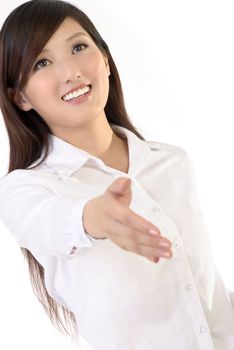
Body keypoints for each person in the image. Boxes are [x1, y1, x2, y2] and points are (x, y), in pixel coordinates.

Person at [0, 1, 233, 349]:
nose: (70, 72)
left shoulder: (172, 162)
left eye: (79, 47)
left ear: (105, 60)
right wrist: (93, 218)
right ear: (20, 97)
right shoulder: (26, 189)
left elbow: (206, 292)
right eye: (42, 62)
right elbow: (50, 221)